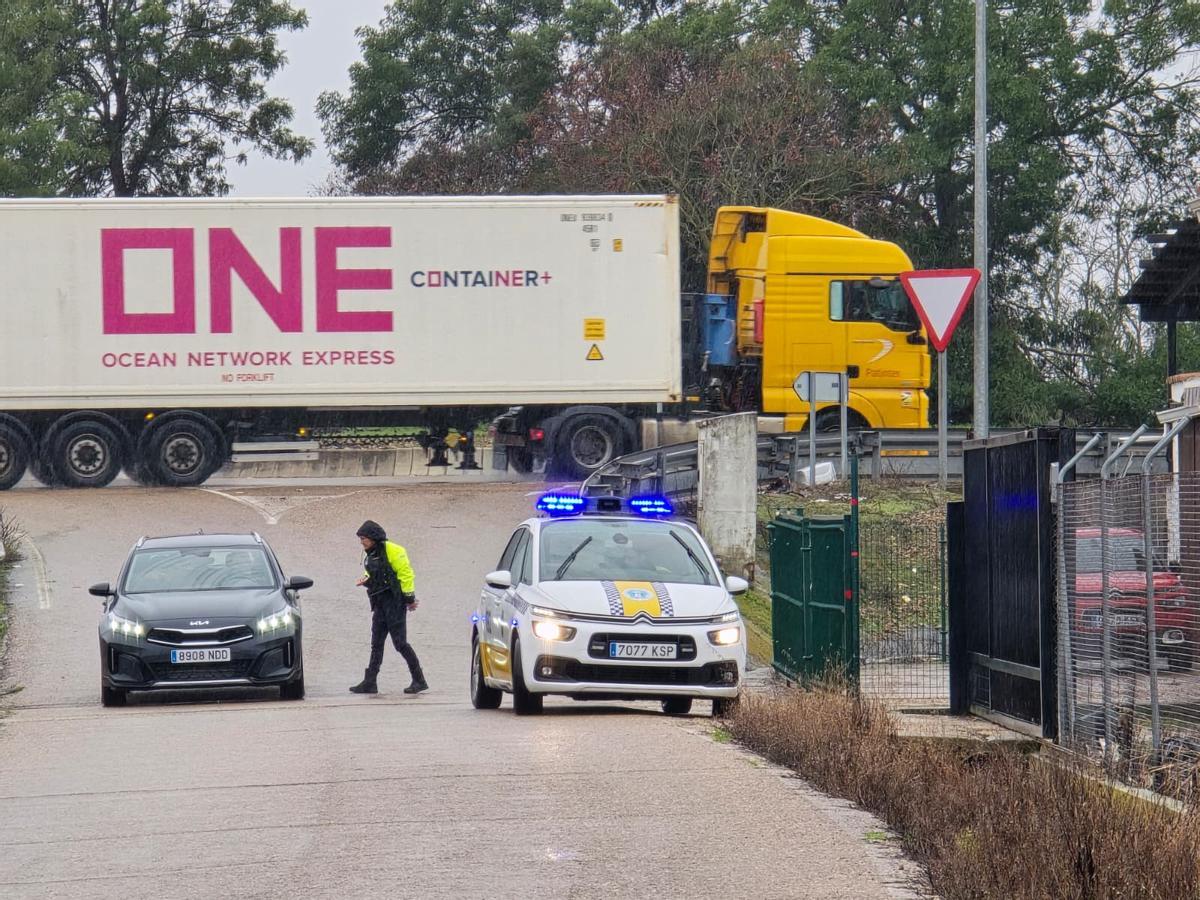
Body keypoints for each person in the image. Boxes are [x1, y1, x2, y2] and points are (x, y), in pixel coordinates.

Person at [349, 520, 429, 695]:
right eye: (361, 539)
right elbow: (373, 573)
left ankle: (419, 679)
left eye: (364, 538)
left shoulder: (394, 550)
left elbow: (406, 573)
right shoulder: (369, 553)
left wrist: (409, 597)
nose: (361, 542)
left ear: (373, 538)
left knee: (400, 643)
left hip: (394, 601)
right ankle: (370, 681)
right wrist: (366, 580)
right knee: (376, 642)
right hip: (379, 602)